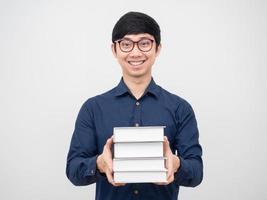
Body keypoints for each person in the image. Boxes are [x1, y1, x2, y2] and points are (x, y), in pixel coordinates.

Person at [66, 11, 203, 200]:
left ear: (158, 48)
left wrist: (176, 163)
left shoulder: (180, 108)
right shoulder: (93, 108)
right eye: (126, 44)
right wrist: (99, 164)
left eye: (145, 43)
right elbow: (73, 170)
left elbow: (196, 172)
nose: (136, 52)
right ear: (114, 50)